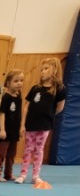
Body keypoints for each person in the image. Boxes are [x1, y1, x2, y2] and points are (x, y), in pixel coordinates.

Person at [15, 57, 66, 188]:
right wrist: (22, 124)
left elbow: (60, 107)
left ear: (55, 69)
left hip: (44, 126)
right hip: (31, 124)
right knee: (28, 149)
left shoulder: (59, 89)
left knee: (39, 150)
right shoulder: (36, 88)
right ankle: (23, 174)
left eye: (46, 69)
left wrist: (49, 115)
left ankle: (35, 176)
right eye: (41, 69)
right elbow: (26, 107)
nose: (42, 72)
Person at [0, 69, 24, 182]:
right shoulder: (6, 97)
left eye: (21, 80)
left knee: (11, 154)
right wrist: (2, 130)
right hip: (5, 130)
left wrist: (20, 127)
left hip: (14, 130)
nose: (19, 83)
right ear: (8, 83)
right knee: (1, 153)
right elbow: (2, 113)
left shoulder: (19, 96)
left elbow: (18, 114)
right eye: (16, 81)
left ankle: (8, 174)